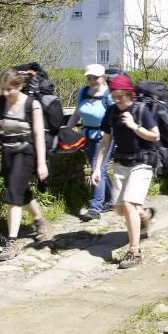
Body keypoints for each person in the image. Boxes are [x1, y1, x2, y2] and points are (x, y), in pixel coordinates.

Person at [0, 68, 52, 261]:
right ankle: (40, 221)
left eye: (9, 89)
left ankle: (12, 243)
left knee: (13, 196)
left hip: (27, 153)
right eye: (2, 88)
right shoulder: (0, 103)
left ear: (20, 86)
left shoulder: (32, 104)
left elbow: (38, 135)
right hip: (8, 153)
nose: (4, 93)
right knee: (20, 192)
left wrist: (42, 163)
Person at [92, 74, 159, 269]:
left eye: (120, 96)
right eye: (114, 96)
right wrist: (97, 168)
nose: (117, 100)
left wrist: (134, 126)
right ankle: (143, 216)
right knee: (119, 209)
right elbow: (105, 143)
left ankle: (134, 251)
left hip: (143, 161)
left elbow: (155, 136)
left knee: (128, 205)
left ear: (130, 94)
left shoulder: (141, 109)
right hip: (121, 163)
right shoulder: (112, 111)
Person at [65, 64, 114, 220]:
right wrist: (66, 130)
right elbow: (76, 114)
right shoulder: (84, 92)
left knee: (97, 169)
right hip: (87, 135)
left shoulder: (109, 95)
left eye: (96, 78)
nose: (92, 81)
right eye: (89, 78)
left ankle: (95, 207)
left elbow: (115, 117)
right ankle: (113, 199)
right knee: (100, 169)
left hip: (105, 136)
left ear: (103, 77)